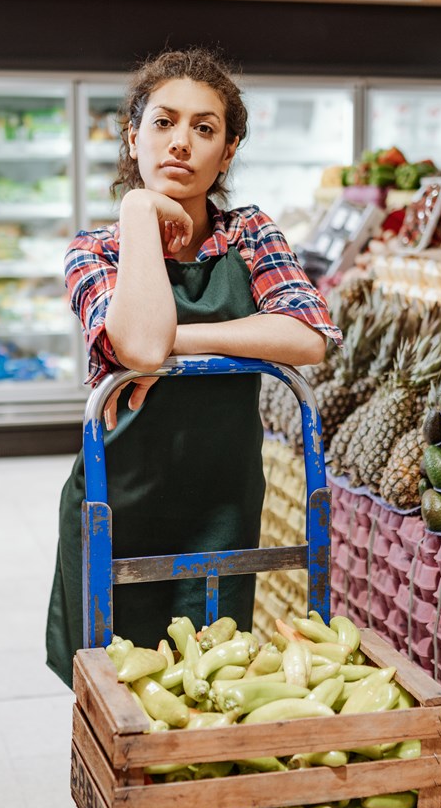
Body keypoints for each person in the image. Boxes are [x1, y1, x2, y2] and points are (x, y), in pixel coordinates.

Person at [45, 48, 341, 687]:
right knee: (114, 692)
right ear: (133, 135)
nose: (181, 143)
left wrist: (179, 336)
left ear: (227, 151)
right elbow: (139, 350)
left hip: (222, 507)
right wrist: (138, 215)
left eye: (204, 129)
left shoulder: (251, 233)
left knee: (208, 686)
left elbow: (308, 333)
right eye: (162, 122)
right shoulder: (94, 250)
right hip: (114, 504)